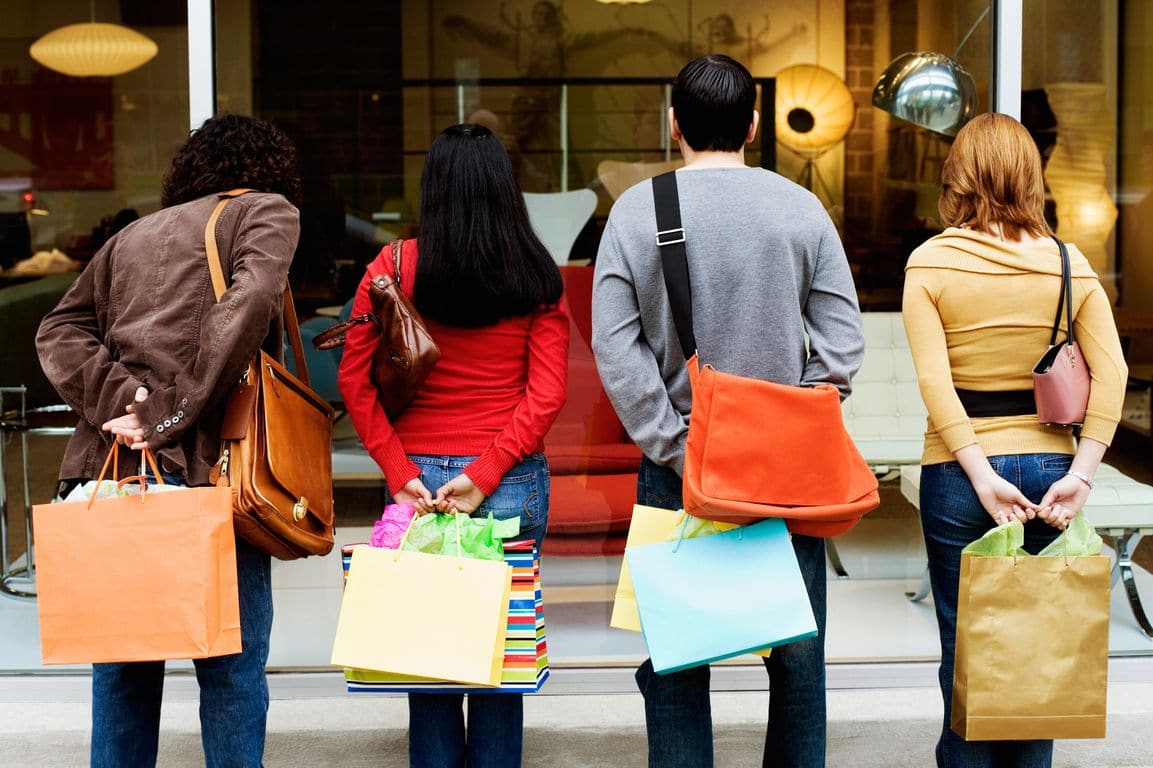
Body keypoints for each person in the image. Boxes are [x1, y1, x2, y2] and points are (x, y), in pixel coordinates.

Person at [591, 54, 865, 768]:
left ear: (673, 125)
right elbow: (841, 344)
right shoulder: (800, 208)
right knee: (798, 660)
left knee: (678, 660)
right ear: (752, 125)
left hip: (678, 469)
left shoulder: (635, 212)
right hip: (786, 474)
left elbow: (614, 348)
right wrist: (790, 422)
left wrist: (673, 443)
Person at [35, 114, 302, 768]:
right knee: (232, 666)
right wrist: (162, 411)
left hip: (115, 470)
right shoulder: (266, 211)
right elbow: (250, 303)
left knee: (123, 668)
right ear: (267, 169)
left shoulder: (130, 236)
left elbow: (58, 331)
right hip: (213, 469)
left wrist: (125, 404)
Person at [338, 122, 568, 768]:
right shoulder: (537, 274)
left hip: (414, 484)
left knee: (425, 658)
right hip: (509, 480)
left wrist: (398, 469)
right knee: (500, 661)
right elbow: (547, 394)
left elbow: (354, 382)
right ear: (504, 188)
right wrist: (486, 472)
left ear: (432, 188)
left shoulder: (392, 267)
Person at [902, 112, 1128, 768]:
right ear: (1032, 176)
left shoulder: (930, 261)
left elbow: (934, 382)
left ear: (957, 176)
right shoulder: (1066, 262)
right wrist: (1081, 473)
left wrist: (980, 474)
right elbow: (1111, 374)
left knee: (966, 651)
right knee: (1038, 649)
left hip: (959, 474)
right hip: (1051, 469)